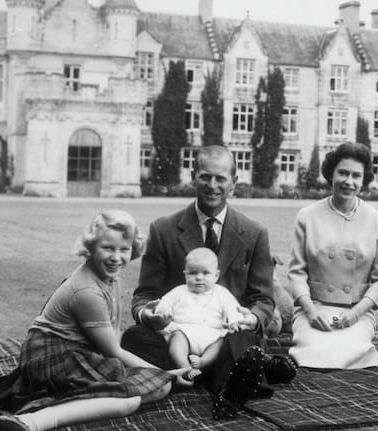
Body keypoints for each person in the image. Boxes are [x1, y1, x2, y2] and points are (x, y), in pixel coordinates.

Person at [120, 145, 296, 419]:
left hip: (227, 335)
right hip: (176, 335)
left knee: (245, 339)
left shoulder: (254, 233)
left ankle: (207, 377)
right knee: (133, 338)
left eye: (221, 178)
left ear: (234, 183)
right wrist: (148, 313)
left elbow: (263, 299)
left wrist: (252, 318)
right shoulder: (163, 229)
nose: (212, 185)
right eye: (205, 177)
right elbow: (144, 294)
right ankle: (237, 377)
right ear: (193, 176)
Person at [0, 210, 190, 431]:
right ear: (91, 247)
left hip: (80, 354)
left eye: (124, 249)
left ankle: (79, 401)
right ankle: (29, 422)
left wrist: (162, 378)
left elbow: (113, 333)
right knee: (132, 399)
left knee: (158, 388)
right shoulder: (87, 291)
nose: (116, 257)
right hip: (51, 357)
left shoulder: (111, 274)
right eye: (107, 248)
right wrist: (168, 374)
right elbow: (114, 352)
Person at [287, 142, 378, 369]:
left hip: (356, 311)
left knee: (347, 352)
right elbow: (296, 274)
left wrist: (356, 314)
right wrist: (311, 310)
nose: (349, 181)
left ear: (364, 180)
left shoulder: (377, 220)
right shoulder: (307, 216)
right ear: (331, 175)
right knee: (315, 351)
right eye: (343, 173)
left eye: (356, 175)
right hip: (314, 307)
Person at [155, 247, 245, 381]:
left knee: (220, 343)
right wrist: (163, 310)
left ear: (216, 275)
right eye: (192, 273)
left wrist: (234, 321)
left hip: (212, 335)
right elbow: (165, 302)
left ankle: (203, 362)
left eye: (206, 273)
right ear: (185, 274)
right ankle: (184, 367)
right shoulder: (179, 291)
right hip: (185, 332)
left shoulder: (222, 293)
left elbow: (233, 309)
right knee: (177, 341)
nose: (199, 278)